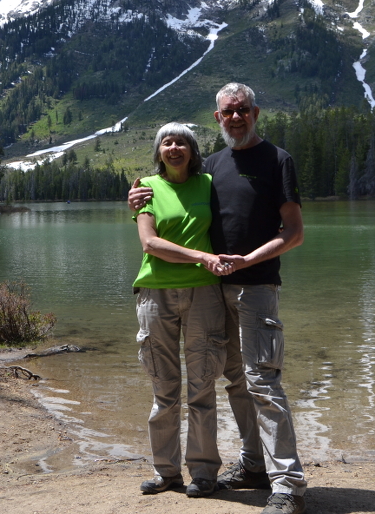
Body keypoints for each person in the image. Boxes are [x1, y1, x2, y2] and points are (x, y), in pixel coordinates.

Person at [129, 83, 307, 514]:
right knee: (235, 381)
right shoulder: (210, 165)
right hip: (214, 290)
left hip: (256, 285)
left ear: (255, 112)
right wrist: (134, 199)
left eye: (242, 110)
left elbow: (293, 233)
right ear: (217, 118)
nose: (235, 117)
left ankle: (288, 484)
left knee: (263, 380)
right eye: (227, 112)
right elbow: (173, 204)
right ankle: (252, 465)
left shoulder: (277, 160)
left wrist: (248, 260)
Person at [131, 122, 232, 499]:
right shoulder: (146, 188)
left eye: (181, 142)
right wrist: (203, 257)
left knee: (203, 384)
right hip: (155, 293)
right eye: (167, 143)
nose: (174, 148)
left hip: (204, 294)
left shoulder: (208, 184)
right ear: (159, 152)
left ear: (192, 150)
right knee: (164, 389)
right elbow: (150, 243)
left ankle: (204, 473)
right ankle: (166, 472)